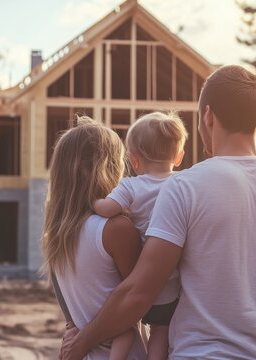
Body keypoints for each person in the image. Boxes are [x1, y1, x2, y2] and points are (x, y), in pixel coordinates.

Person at [59, 65, 256, 359]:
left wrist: (83, 340)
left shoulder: (184, 188)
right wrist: (255, 333)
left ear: (208, 116)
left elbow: (139, 292)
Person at [41, 117, 146, 359]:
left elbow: (71, 314)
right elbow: (142, 299)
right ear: (108, 167)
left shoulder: (57, 236)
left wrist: (73, 332)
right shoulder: (115, 229)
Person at [93, 111, 187, 360]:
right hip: (173, 280)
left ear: (134, 161)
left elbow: (108, 209)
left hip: (137, 272)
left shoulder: (131, 185)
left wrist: (93, 202)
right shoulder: (184, 183)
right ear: (178, 157)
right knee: (160, 329)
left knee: (127, 325)